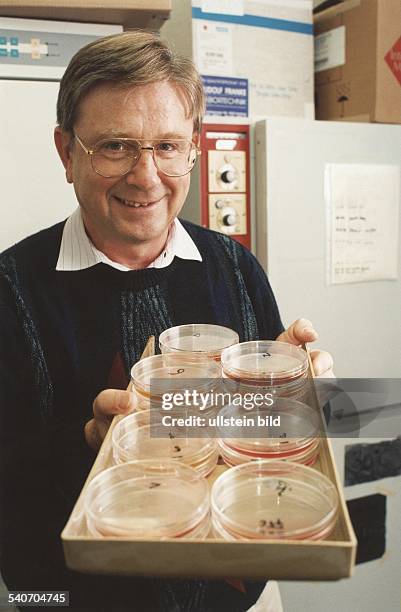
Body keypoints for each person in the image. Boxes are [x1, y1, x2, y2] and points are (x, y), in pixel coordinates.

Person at [0, 31, 334, 611]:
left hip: (239, 593)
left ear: (193, 150)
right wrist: (86, 440)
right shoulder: (11, 289)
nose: (146, 176)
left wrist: (285, 394)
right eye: (116, 146)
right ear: (66, 152)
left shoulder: (234, 267)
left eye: (168, 146)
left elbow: (255, 442)